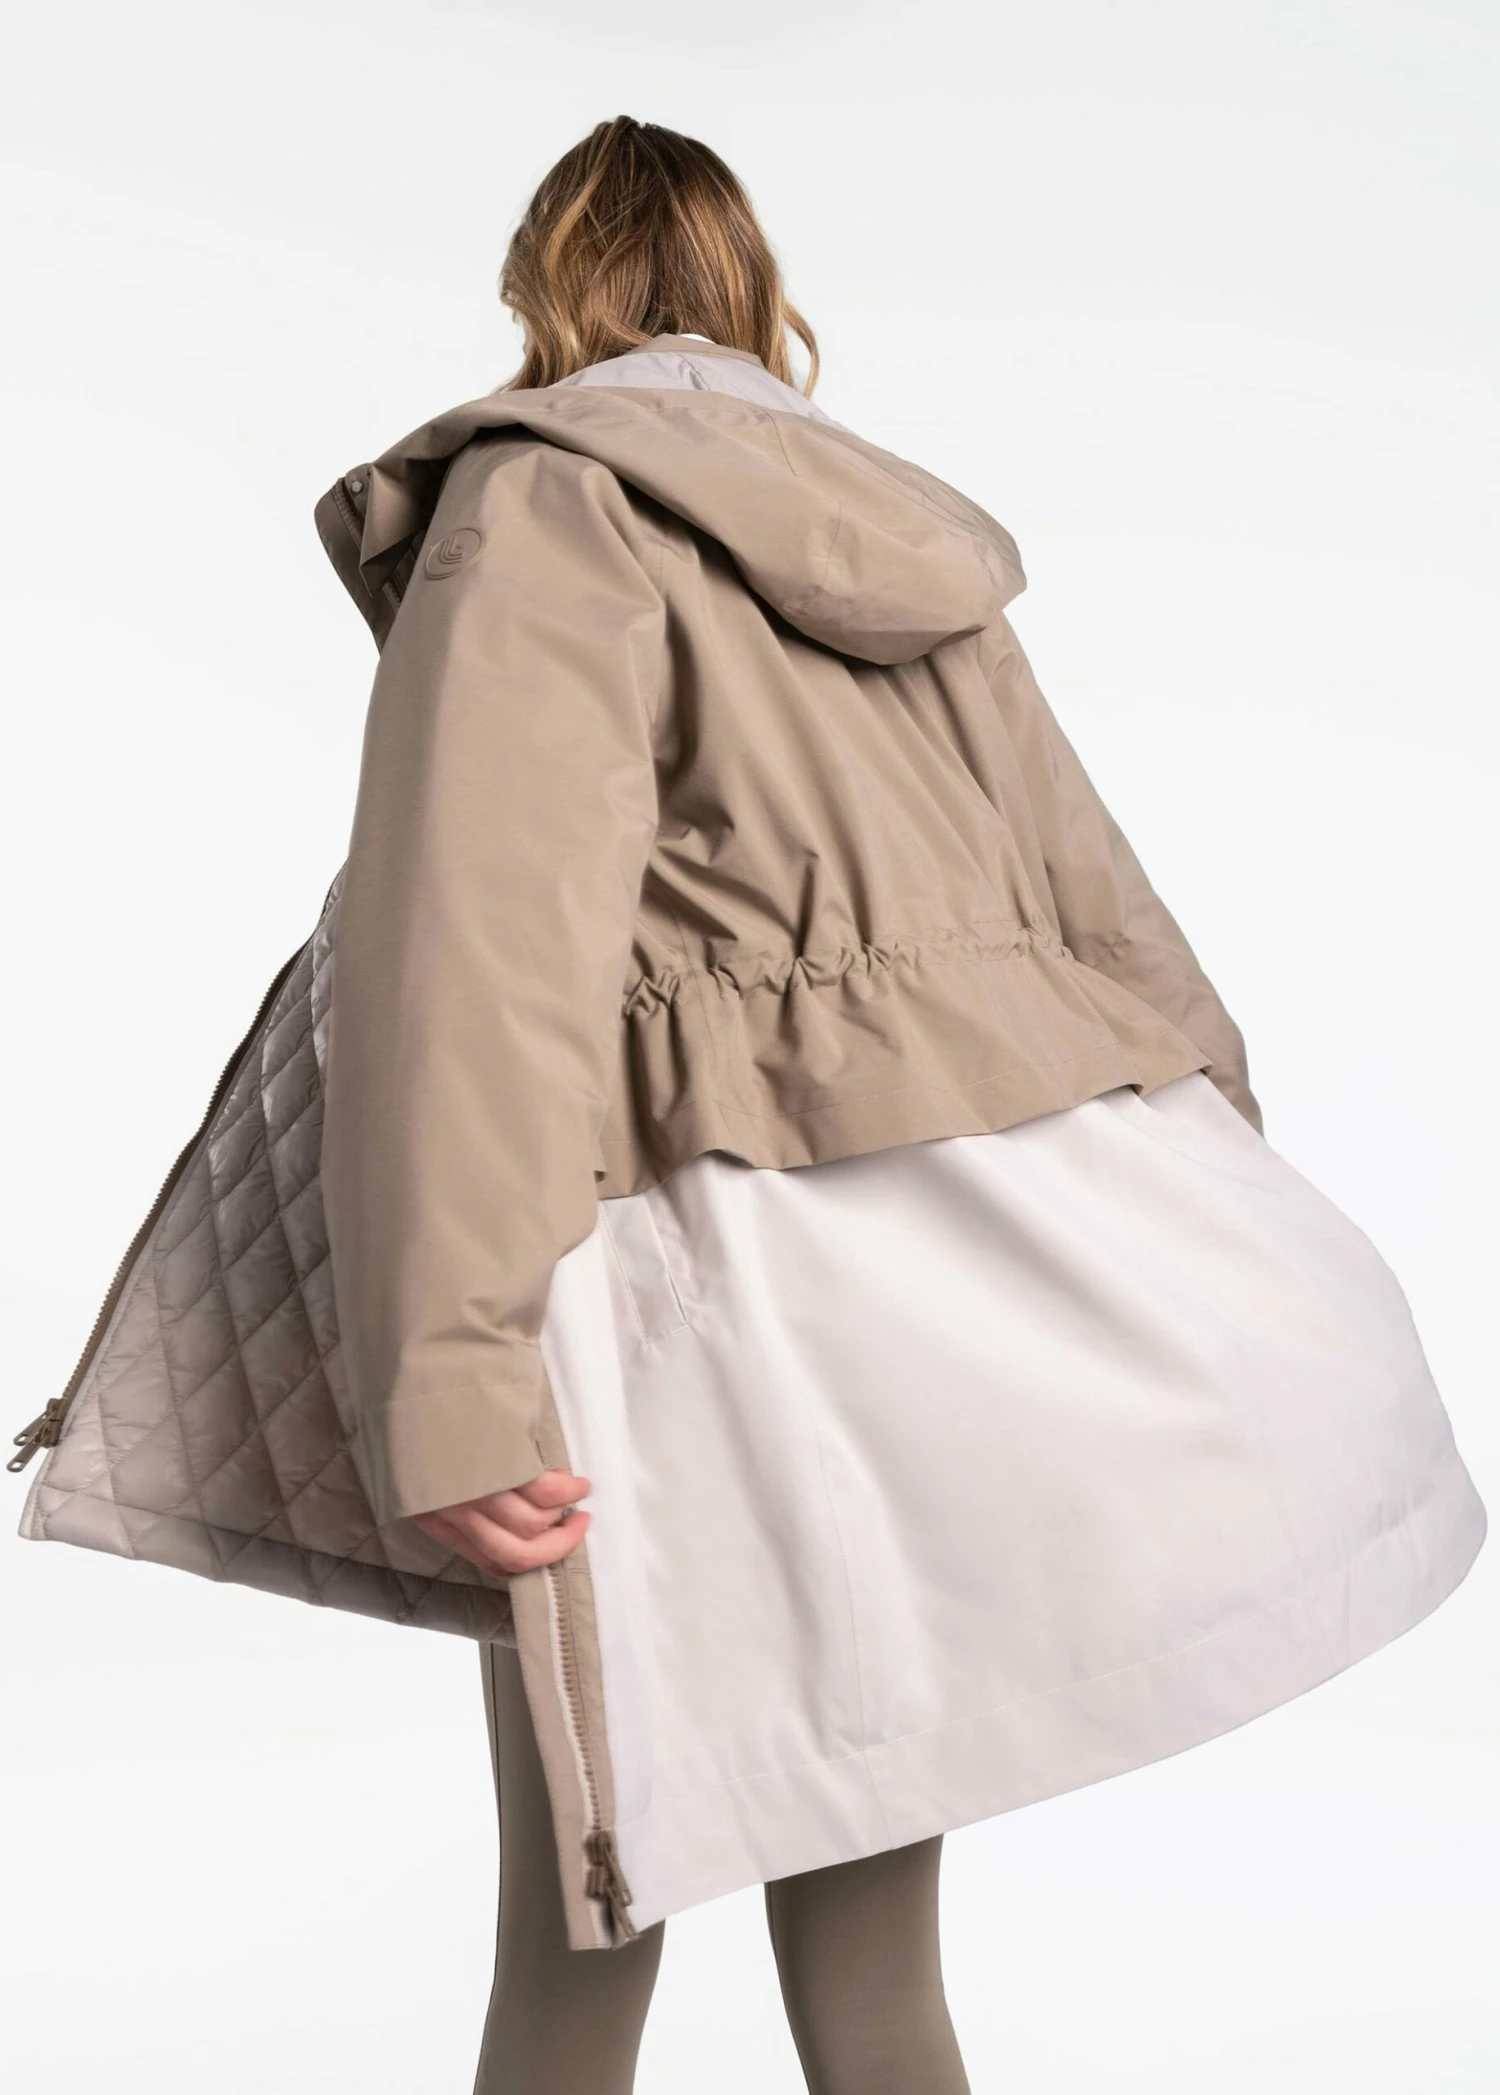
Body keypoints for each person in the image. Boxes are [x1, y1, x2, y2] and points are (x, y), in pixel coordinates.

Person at [15, 112, 1481, 2095]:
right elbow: (1096, 903)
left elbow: (477, 955)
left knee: (576, 1941)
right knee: (874, 1962)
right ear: (753, 286)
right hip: (921, 1297)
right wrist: (1220, 1186)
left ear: (544, 283)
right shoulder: (902, 535)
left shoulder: (542, 500)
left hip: (668, 1292)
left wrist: (449, 1378)